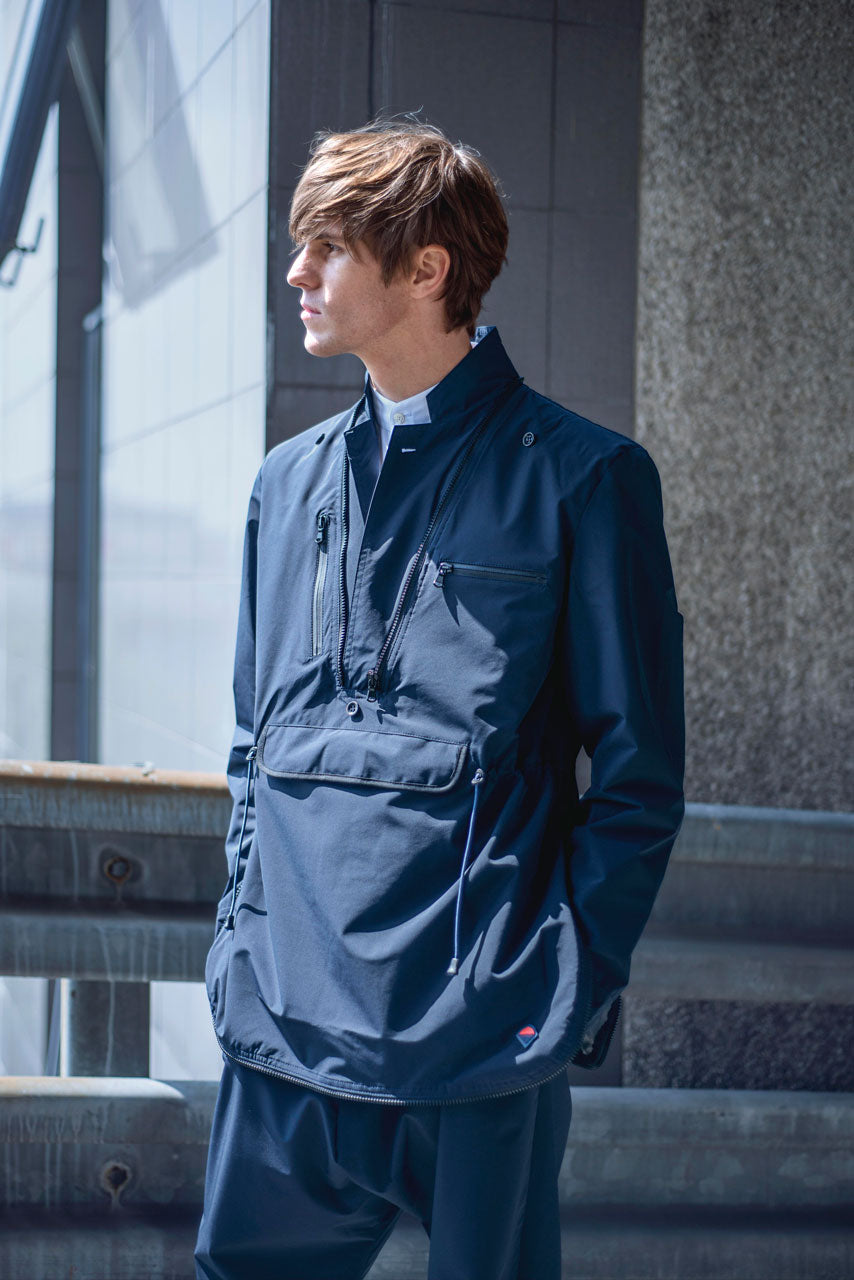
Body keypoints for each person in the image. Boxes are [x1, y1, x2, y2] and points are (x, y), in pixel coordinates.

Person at [195, 119, 685, 1280]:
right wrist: (237, 946)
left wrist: (557, 995)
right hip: (280, 1036)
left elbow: (637, 780)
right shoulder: (285, 481)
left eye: (327, 246)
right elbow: (255, 746)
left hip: (477, 1041)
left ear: (426, 269)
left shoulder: (585, 478)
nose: (294, 272)